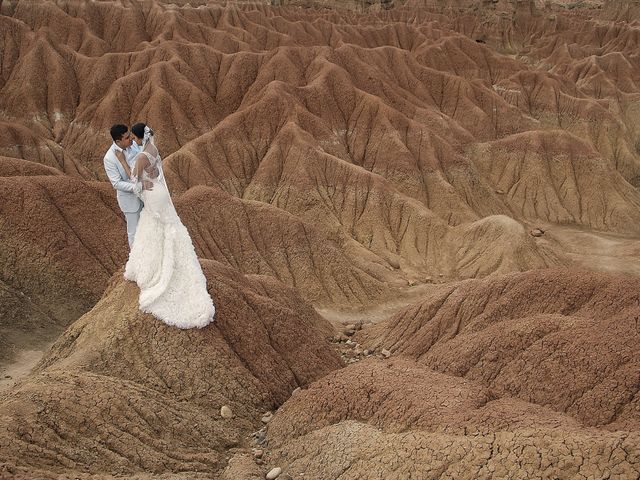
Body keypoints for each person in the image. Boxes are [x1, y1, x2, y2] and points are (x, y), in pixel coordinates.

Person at [116, 124, 216, 329]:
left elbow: (134, 180)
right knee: (163, 228)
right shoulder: (153, 149)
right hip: (159, 192)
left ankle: (157, 267)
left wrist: (122, 161)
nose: (133, 142)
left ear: (138, 137)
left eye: (134, 138)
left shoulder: (143, 156)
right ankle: (167, 258)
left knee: (153, 227)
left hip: (152, 195)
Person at [103, 124, 143, 248]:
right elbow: (116, 183)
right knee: (134, 232)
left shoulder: (134, 145)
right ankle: (136, 260)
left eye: (130, 135)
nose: (130, 138)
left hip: (145, 195)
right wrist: (136, 187)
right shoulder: (109, 158)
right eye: (126, 138)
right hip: (130, 201)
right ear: (118, 141)